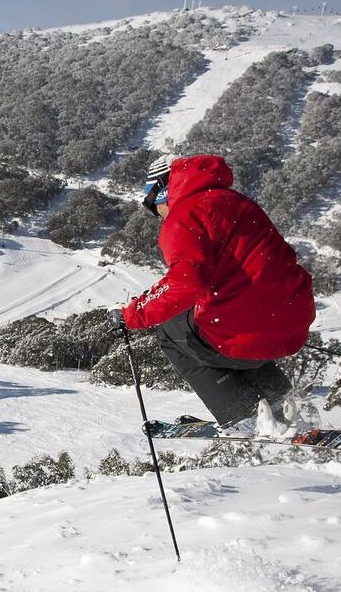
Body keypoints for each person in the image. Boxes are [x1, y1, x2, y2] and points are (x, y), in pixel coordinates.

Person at [110, 154, 315, 436]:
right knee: (228, 323)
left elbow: (186, 283)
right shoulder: (238, 202)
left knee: (170, 330)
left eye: (152, 206)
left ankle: (240, 413)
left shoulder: (185, 215)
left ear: (162, 192)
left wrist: (131, 315)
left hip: (248, 328)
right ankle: (279, 401)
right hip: (292, 323)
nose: (157, 215)